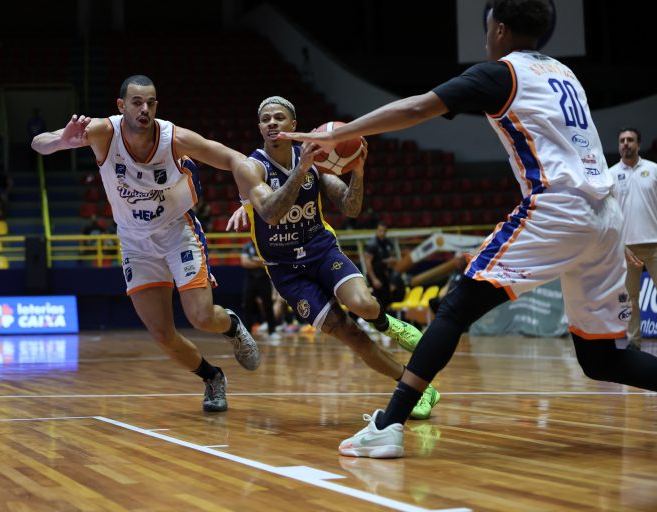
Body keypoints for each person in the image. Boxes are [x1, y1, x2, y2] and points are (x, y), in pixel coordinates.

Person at [280, 0, 657, 458]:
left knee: (455, 308)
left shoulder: (502, 74)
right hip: (606, 215)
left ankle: (389, 424)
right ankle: (391, 422)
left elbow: (418, 107)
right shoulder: (565, 73)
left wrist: (335, 134)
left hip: (559, 208)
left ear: (498, 30)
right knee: (602, 358)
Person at [31, 74, 260, 412]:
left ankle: (233, 326)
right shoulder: (103, 132)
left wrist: (248, 198)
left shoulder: (173, 138)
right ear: (121, 105)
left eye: (150, 103)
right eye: (137, 102)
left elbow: (233, 158)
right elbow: (39, 142)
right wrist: (62, 142)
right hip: (135, 243)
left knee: (201, 318)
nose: (144, 109)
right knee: (162, 334)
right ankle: (212, 377)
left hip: (176, 232)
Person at [228, 96, 440, 420]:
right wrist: (300, 171)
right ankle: (417, 388)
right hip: (287, 272)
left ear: (293, 125)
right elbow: (271, 213)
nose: (272, 122)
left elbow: (350, 207)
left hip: (321, 249)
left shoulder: (316, 157)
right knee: (353, 337)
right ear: (259, 127)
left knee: (363, 304)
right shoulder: (251, 167)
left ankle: (386, 324)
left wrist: (358, 172)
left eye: (279, 117)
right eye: (266, 118)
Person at [610, 127, 657, 351]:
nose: (625, 144)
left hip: (655, 244)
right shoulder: (610, 175)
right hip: (625, 248)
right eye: (622, 140)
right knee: (629, 300)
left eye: (630, 140)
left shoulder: (653, 170)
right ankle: (634, 343)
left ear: (638, 144)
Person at [240, 240, 279, 340]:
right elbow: (244, 262)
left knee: (268, 305)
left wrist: (253, 259)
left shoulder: (265, 246)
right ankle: (247, 332)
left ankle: (272, 331)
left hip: (264, 279)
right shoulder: (247, 247)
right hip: (250, 279)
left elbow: (269, 262)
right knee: (247, 305)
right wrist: (260, 262)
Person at [364, 220, 395, 312]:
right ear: (376, 231)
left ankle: (388, 319)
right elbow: (368, 262)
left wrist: (391, 261)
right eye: (380, 230)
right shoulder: (372, 244)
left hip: (385, 275)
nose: (382, 233)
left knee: (388, 301)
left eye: (384, 231)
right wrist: (374, 279)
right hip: (375, 275)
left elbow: (391, 258)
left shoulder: (388, 243)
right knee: (378, 301)